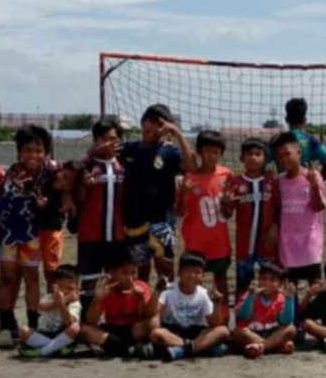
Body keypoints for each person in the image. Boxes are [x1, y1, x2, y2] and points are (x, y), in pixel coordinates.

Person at [0, 124, 67, 341]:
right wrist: (10, 193)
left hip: (31, 234)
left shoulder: (51, 171)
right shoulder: (9, 177)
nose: (33, 155)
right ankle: (6, 325)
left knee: (32, 277)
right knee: (7, 277)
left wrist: (56, 202)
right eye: (27, 150)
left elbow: (74, 170)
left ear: (45, 152)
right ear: (18, 152)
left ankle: (33, 324)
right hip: (7, 234)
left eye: (38, 150)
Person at [120, 105, 186, 292]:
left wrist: (177, 134)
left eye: (161, 125)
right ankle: (142, 308)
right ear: (142, 122)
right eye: (150, 123)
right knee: (140, 271)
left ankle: (166, 312)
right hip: (134, 222)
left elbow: (192, 166)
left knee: (165, 270)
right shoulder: (128, 149)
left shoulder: (170, 151)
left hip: (162, 222)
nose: (154, 129)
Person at [70, 117, 130, 308]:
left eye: (112, 138)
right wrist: (83, 186)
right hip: (91, 235)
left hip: (118, 235)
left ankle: (114, 320)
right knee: (89, 280)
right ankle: (87, 321)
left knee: (116, 279)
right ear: (95, 141)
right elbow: (75, 200)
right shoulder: (85, 167)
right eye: (102, 138)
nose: (108, 142)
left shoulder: (124, 166)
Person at [176, 131, 234, 304]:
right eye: (208, 151)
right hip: (195, 242)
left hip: (219, 242)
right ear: (199, 152)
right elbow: (179, 212)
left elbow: (228, 214)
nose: (212, 156)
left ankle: (222, 316)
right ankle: (189, 313)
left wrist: (227, 204)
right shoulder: (189, 178)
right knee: (192, 281)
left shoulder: (227, 175)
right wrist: (184, 192)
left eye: (216, 152)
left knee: (221, 280)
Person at [271, 131, 326, 290]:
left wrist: (315, 186)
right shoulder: (278, 181)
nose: (284, 159)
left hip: (310, 243)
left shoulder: (313, 176)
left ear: (299, 152)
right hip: (287, 246)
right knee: (290, 289)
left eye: (287, 154)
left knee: (315, 287)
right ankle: (293, 315)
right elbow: (276, 209)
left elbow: (318, 207)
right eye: (279, 156)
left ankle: (315, 315)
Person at [226, 138, 279, 294]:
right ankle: (242, 317)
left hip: (267, 246)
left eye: (258, 154)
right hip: (244, 248)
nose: (253, 157)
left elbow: (279, 209)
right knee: (243, 288)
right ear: (242, 158)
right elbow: (227, 215)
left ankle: (267, 317)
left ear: (265, 158)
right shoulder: (235, 182)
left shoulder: (272, 182)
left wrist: (275, 226)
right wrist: (226, 203)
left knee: (268, 287)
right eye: (249, 154)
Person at [151, 253, 229, 360]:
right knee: (156, 333)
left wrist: (216, 304)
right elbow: (153, 311)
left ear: (202, 277)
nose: (192, 275)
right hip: (172, 331)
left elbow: (214, 323)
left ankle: (182, 350)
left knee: (223, 330)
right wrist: (157, 291)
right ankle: (197, 348)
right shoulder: (168, 289)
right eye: (187, 271)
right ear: (179, 273)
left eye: (197, 272)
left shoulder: (203, 293)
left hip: (193, 332)